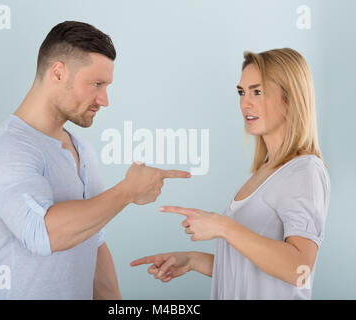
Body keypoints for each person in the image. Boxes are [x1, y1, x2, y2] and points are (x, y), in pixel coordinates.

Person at [0, 21, 190, 300]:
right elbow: (42, 234)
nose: (104, 99)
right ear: (59, 73)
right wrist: (128, 191)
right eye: (96, 84)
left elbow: (93, 237)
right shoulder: (6, 149)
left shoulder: (82, 149)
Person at [130, 48, 331, 300]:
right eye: (241, 92)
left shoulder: (304, 171)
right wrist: (192, 260)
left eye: (257, 91)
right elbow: (252, 269)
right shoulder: (265, 171)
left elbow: (299, 270)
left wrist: (223, 227)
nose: (245, 102)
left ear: (290, 98)